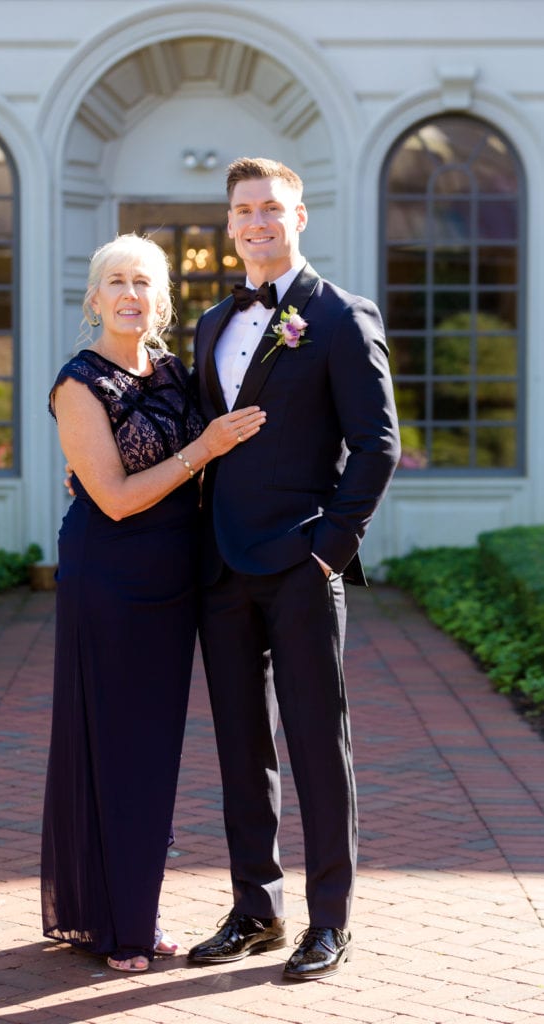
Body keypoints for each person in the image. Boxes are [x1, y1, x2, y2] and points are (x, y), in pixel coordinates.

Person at [186, 157, 400, 981]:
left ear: (298, 217)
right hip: (220, 568)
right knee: (241, 748)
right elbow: (199, 438)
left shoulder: (340, 317)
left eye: (271, 208)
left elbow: (377, 444)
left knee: (316, 744)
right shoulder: (210, 324)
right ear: (230, 223)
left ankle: (329, 922)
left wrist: (328, 551)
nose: (257, 223)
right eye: (243, 210)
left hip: (302, 565)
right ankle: (255, 910)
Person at [40, 233, 266, 973]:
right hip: (109, 578)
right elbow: (112, 496)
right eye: (116, 281)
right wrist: (203, 450)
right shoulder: (77, 384)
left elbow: (217, 464)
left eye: (144, 282)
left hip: (175, 580)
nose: (130, 294)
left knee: (155, 754)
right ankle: (115, 926)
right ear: (95, 299)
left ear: (161, 299)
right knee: (116, 747)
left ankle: (136, 908)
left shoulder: (174, 373)